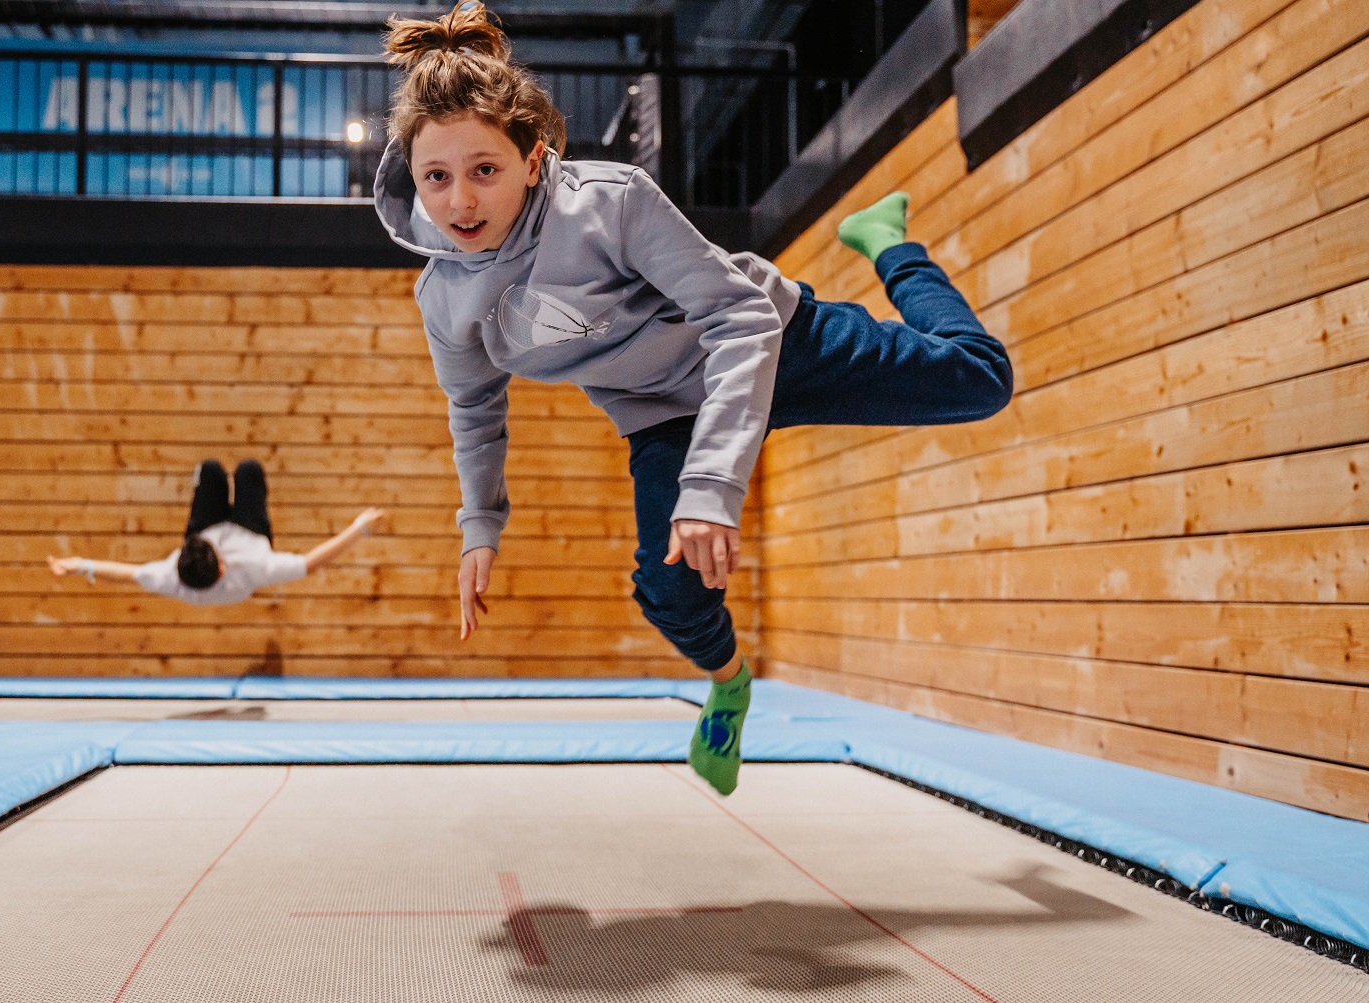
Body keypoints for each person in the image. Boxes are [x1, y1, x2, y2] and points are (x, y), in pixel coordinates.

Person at [375, 3, 1013, 795]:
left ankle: (891, 245)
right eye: (437, 177)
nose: (460, 201)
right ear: (414, 177)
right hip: (664, 411)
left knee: (982, 381)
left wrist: (712, 487)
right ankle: (731, 684)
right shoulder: (443, 298)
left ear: (533, 160)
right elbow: (473, 409)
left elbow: (737, 315)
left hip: (775, 345)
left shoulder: (610, 203)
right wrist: (480, 526)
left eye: (484, 170)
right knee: (671, 591)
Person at [48, 458, 386, 606]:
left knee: (210, 470)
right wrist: (358, 529)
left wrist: (81, 565)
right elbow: (310, 563)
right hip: (250, 533)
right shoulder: (254, 567)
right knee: (247, 470)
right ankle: (230, 480)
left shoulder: (169, 576)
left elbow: (125, 574)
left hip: (205, 530)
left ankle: (204, 484)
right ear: (223, 566)